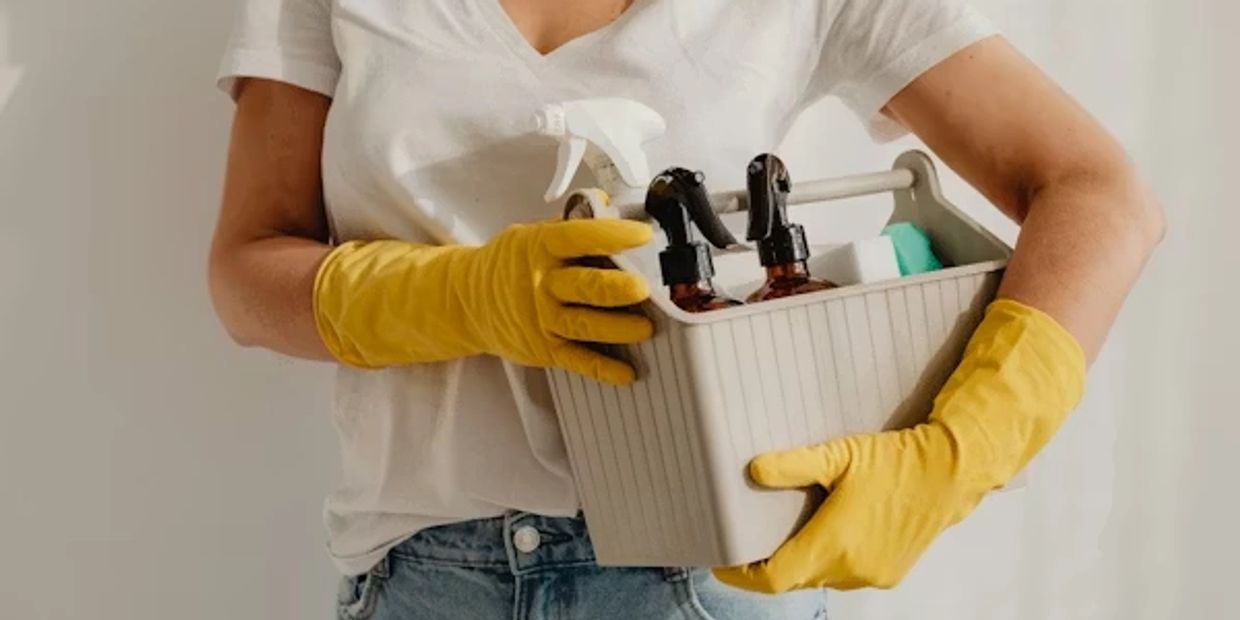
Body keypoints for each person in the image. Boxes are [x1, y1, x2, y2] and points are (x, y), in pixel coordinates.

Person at [207, 0, 1163, 618]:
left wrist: (957, 453)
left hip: (714, 580)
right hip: (424, 580)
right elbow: (247, 272)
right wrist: (457, 298)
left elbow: (1098, 193)